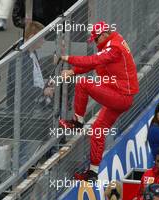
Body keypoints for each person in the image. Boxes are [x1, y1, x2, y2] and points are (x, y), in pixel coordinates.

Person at [60, 21, 139, 181]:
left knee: (83, 83)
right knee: (97, 129)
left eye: (96, 39)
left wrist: (68, 58)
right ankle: (93, 173)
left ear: (103, 34)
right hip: (119, 94)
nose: (95, 42)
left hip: (120, 96)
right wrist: (73, 71)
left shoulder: (114, 47)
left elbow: (92, 61)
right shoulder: (110, 44)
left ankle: (77, 122)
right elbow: (95, 64)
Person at [7, 21, 54, 111]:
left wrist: (47, 85)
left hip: (32, 106)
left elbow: (34, 78)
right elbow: (22, 86)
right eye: (42, 37)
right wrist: (43, 91)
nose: (44, 41)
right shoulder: (19, 58)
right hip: (22, 111)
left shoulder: (33, 53)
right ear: (32, 38)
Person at [12, 0, 78, 28]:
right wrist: (26, 23)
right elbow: (16, 17)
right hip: (32, 38)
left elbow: (72, 11)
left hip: (54, 33)